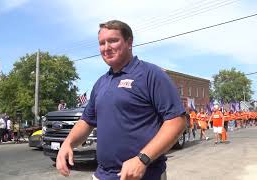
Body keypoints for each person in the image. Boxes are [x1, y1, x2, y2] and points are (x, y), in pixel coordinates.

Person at [56, 20, 186, 180]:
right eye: (102, 43)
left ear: (129, 42)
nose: (106, 47)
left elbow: (177, 121)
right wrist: (67, 143)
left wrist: (142, 159)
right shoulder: (101, 83)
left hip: (143, 174)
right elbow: (87, 121)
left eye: (113, 40)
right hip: (102, 175)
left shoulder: (150, 74)